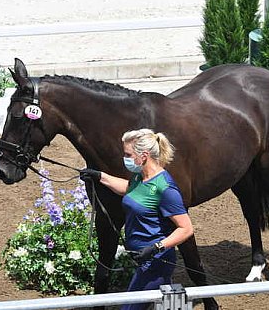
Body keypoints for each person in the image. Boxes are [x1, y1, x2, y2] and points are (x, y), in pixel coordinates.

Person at [80, 128, 193, 310]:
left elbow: (186, 228)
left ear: (144, 155)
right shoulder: (140, 178)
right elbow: (130, 190)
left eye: (128, 154)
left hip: (155, 262)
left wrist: (156, 247)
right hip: (142, 260)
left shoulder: (165, 188)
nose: (124, 158)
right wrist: (100, 176)